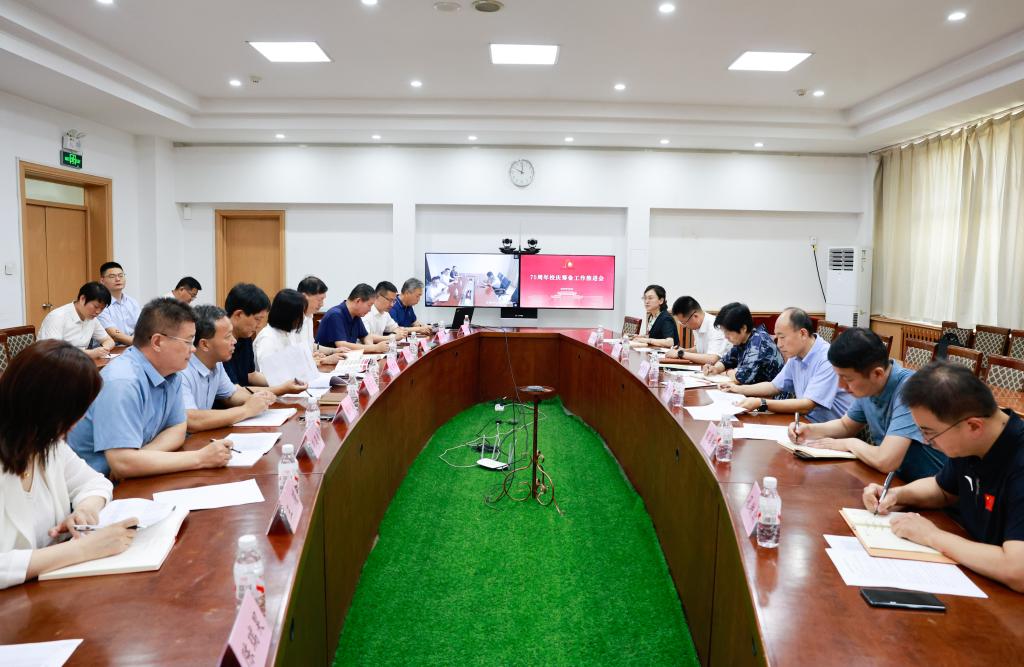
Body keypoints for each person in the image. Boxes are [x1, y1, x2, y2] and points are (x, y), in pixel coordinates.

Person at [863, 362, 1024, 592]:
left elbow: (1018, 570)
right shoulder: (971, 442)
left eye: (929, 432)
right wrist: (896, 495)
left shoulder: (1018, 459)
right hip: (977, 574)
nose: (925, 441)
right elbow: (942, 489)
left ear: (974, 426)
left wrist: (931, 536)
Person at [0, 340, 139, 589]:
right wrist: (82, 549)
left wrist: (85, 509)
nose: (82, 417)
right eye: (77, 408)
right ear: (47, 407)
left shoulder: (45, 443)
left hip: (47, 589)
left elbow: (95, 483)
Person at [67, 298, 233, 479]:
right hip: (94, 486)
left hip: (132, 476)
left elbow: (178, 428)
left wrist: (141, 457)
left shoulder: (171, 372)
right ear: (157, 342)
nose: (193, 349)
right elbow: (121, 463)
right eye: (187, 341)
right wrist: (201, 458)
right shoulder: (122, 382)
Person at [787, 327, 947, 482]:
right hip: (895, 481)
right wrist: (809, 430)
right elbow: (846, 426)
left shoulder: (911, 390)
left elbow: (886, 460)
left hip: (933, 491)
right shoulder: (869, 386)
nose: (841, 385)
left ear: (877, 373)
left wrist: (849, 443)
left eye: (847, 379)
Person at [722, 307, 852, 421]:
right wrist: (737, 389)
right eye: (777, 338)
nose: (779, 345)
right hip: (803, 421)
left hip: (827, 430)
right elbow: (774, 386)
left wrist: (761, 403)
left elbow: (807, 405)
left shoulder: (827, 358)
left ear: (802, 334)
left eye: (782, 337)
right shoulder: (796, 355)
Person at [181, 305, 276, 433]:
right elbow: (192, 420)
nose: (234, 341)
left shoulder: (216, 363)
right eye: (227, 336)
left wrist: (258, 398)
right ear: (204, 344)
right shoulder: (181, 370)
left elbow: (231, 395)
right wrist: (246, 410)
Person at [223, 283, 308, 395]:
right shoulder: (221, 343)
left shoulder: (245, 336)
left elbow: (251, 375)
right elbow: (234, 392)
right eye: (257, 319)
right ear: (239, 314)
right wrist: (282, 389)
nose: (259, 325)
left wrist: (286, 382)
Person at [703, 302, 782, 384]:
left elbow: (741, 378)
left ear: (743, 328)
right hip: (754, 388)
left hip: (772, 391)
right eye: (724, 332)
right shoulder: (742, 340)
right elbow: (727, 360)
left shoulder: (758, 342)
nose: (726, 337)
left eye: (728, 332)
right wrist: (715, 368)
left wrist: (728, 372)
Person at [39, 282, 116, 360]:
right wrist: (91, 353)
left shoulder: (92, 319)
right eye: (96, 307)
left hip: (78, 362)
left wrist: (103, 350)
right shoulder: (57, 316)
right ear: (82, 299)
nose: (98, 312)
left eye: (102, 309)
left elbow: (108, 340)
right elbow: (54, 351)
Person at [254, 289, 317, 370]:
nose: (303, 317)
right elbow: (269, 373)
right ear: (288, 315)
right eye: (301, 313)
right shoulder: (268, 339)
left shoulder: (288, 333)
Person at [316, 283, 388, 353]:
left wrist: (371, 346)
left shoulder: (356, 315)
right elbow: (342, 345)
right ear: (358, 301)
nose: (370, 310)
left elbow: (365, 336)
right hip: (325, 358)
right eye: (369, 305)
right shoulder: (335, 314)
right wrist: (374, 348)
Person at [667, 296, 729, 365]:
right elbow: (699, 349)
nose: (684, 326)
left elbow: (712, 359)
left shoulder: (715, 326)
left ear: (695, 316)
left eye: (684, 323)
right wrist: (684, 350)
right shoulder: (697, 325)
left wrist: (680, 353)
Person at [296, 276, 345, 364]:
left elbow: (310, 345)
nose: (322, 304)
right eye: (319, 300)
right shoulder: (293, 320)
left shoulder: (309, 316)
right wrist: (324, 360)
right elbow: (294, 359)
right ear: (304, 297)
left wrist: (334, 351)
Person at [97, 261, 141, 345]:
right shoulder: (100, 304)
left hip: (133, 346)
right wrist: (142, 343)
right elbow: (114, 334)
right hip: (110, 349)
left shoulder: (132, 302)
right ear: (102, 280)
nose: (118, 279)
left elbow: (142, 328)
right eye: (112, 276)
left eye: (121, 275)